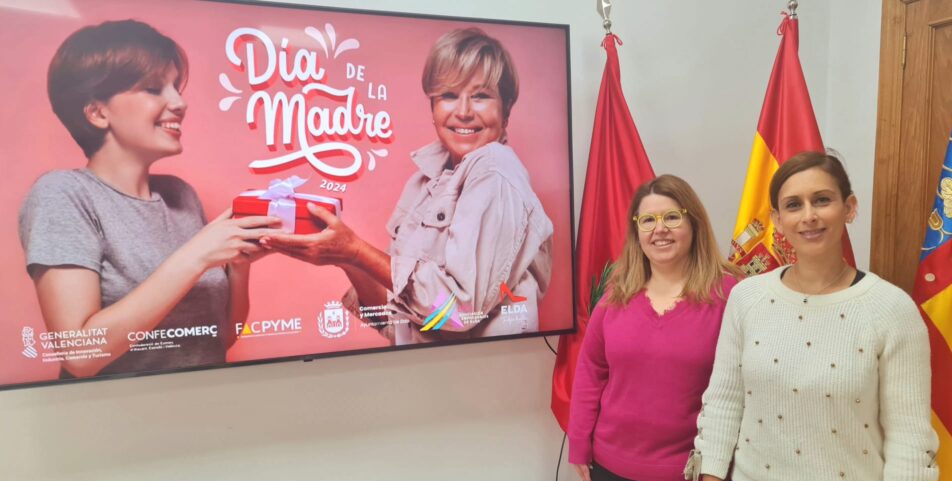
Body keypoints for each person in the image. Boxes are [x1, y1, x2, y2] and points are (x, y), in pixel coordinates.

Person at [692, 152, 951, 481]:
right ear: (777, 219)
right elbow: (725, 398)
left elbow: (908, 432)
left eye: (822, 200)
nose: (809, 216)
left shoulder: (890, 309)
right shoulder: (747, 298)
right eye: (794, 205)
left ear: (849, 208)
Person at [18, 20, 280, 378]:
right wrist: (197, 256)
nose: (180, 103)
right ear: (97, 112)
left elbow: (223, 337)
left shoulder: (180, 195)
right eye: (154, 88)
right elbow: (79, 356)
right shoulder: (63, 194)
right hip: (114, 411)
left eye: (176, 88)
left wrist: (239, 263)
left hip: (208, 402)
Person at [262, 28, 553, 344]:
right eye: (449, 95)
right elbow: (400, 323)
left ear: (505, 110)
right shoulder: (422, 183)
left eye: (481, 96)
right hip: (421, 369)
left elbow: (458, 311)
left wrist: (356, 250)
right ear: (433, 108)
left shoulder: (495, 169)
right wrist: (345, 257)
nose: (464, 112)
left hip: (478, 371)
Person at [568, 174, 738, 481]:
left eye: (672, 217)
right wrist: (579, 442)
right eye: (647, 220)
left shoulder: (729, 297)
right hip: (613, 477)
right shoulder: (616, 295)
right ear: (636, 232)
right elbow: (591, 371)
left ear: (694, 223)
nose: (659, 230)